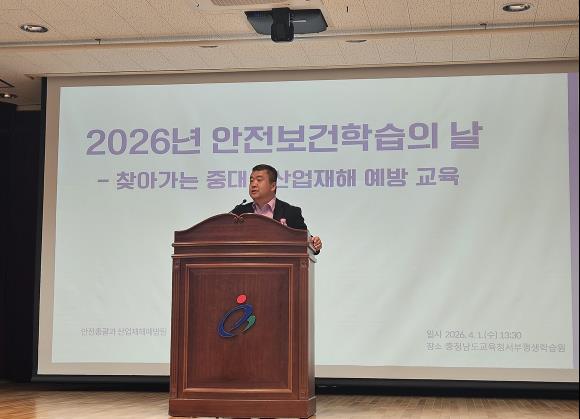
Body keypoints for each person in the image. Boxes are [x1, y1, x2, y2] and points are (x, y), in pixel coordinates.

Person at [231, 164, 323, 254]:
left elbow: (304, 239)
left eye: (259, 180)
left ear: (273, 186)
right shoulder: (239, 212)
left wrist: (315, 242)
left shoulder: (290, 212)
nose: (253, 184)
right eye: (251, 180)